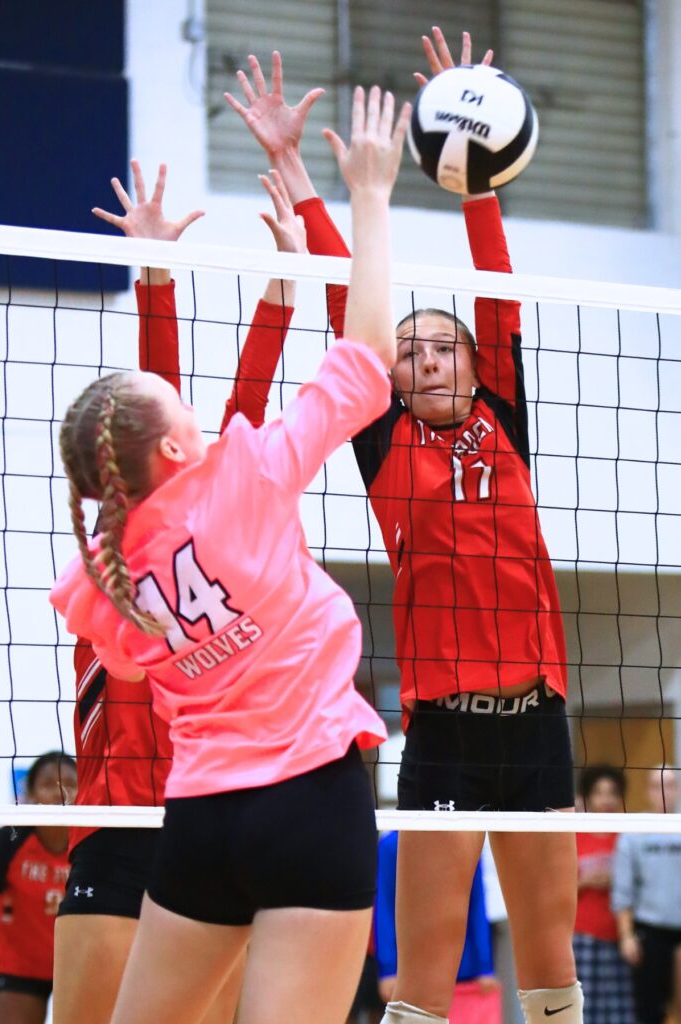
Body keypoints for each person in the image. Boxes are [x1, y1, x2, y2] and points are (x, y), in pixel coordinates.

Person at [226, 28, 581, 1024]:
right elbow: (351, 291)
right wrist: (292, 164)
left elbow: (493, 270)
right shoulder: (383, 442)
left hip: (538, 723)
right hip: (441, 734)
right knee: (422, 977)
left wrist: (470, 166)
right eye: (408, 351)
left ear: (476, 363)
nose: (421, 360)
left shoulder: (502, 417)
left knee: (550, 970)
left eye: (441, 348)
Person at [50, 86, 410, 1024]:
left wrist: (162, 277)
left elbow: (128, 653)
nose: (197, 404)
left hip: (200, 819)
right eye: (172, 399)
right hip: (311, 802)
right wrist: (369, 195)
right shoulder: (245, 478)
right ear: (170, 448)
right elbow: (369, 352)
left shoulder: (104, 571)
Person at [52, 158, 307, 1024]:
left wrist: (286, 282)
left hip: (212, 822)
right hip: (128, 826)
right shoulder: (121, 543)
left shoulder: (222, 528)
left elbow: (241, 403)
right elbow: (148, 405)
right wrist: (157, 277)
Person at [375, 833, 501, 1024]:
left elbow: (477, 905)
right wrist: (388, 969)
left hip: (464, 968)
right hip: (411, 970)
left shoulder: (466, 840)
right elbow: (384, 909)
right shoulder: (391, 845)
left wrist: (485, 967)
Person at [0, 752, 77, 1024]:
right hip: (20, 966)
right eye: (48, 784)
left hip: (78, 965)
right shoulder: (9, 840)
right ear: (29, 794)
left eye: (69, 783)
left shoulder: (96, 844)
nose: (61, 792)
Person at [612, 766, 681, 1024]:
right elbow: (623, 890)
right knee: (649, 1012)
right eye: (657, 785)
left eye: (670, 784)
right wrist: (626, 935)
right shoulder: (635, 830)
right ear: (648, 791)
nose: (664, 791)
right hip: (650, 933)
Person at [573, 766, 634, 1024]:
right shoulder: (574, 835)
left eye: (612, 793)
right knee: (585, 1010)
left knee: (620, 1011)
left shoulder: (627, 835)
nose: (606, 799)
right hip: (582, 936)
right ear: (588, 797)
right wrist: (586, 880)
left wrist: (616, 880)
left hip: (620, 937)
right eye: (599, 792)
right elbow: (559, 889)